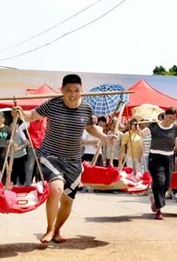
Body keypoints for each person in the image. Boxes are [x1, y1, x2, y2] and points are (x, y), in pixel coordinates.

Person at [13, 74, 115, 243]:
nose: (73, 94)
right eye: (69, 90)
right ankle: (49, 229)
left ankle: (57, 230)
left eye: (77, 90)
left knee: (68, 202)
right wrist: (20, 112)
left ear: (82, 91)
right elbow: (31, 116)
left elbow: (90, 128)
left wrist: (104, 137)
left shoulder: (86, 108)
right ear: (62, 90)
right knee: (56, 188)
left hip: (74, 160)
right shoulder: (53, 104)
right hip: (50, 155)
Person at [148, 107, 177, 220]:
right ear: (164, 115)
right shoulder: (154, 126)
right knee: (159, 182)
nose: (171, 120)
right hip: (155, 157)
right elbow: (143, 134)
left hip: (168, 157)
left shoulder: (175, 128)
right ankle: (159, 209)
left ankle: (155, 200)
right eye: (170, 117)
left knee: (166, 185)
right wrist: (139, 129)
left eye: (173, 118)